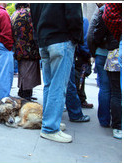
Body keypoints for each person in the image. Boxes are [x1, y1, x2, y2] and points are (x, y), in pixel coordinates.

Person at [30, 3, 83, 143]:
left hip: (44, 41)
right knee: (58, 86)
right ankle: (50, 128)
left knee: (49, 85)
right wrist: (76, 38)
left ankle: (49, 121)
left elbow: (34, 18)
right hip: (61, 39)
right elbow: (74, 14)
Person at [88, 3, 119, 128]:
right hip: (113, 51)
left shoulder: (101, 12)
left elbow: (91, 35)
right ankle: (116, 121)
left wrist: (93, 52)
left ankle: (104, 120)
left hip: (102, 53)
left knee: (105, 88)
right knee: (116, 90)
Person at [11, 3, 41, 101]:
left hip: (18, 49)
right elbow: (34, 29)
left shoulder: (14, 14)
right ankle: (26, 96)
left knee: (23, 71)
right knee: (29, 73)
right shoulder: (29, 13)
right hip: (30, 48)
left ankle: (22, 92)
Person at [102, 3, 122, 92]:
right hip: (111, 51)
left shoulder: (100, 12)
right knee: (114, 90)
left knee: (113, 90)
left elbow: (109, 14)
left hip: (110, 52)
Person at [74, 17, 93, 109]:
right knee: (79, 79)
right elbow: (85, 39)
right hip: (79, 55)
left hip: (71, 53)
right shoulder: (83, 20)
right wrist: (87, 54)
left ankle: (79, 99)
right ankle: (80, 100)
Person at [104, 48, 122, 139]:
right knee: (117, 94)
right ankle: (118, 126)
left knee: (115, 93)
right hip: (116, 56)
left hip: (114, 56)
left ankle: (117, 126)